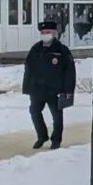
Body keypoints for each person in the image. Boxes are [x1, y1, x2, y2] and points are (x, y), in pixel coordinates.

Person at [23, 20, 76, 150]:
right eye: (42, 32)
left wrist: (68, 90)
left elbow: (69, 72)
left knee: (57, 117)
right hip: (37, 89)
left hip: (55, 90)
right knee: (34, 112)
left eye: (48, 32)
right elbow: (28, 69)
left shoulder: (62, 50)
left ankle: (56, 140)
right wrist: (27, 87)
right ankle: (42, 136)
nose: (45, 34)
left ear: (54, 33)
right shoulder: (36, 49)